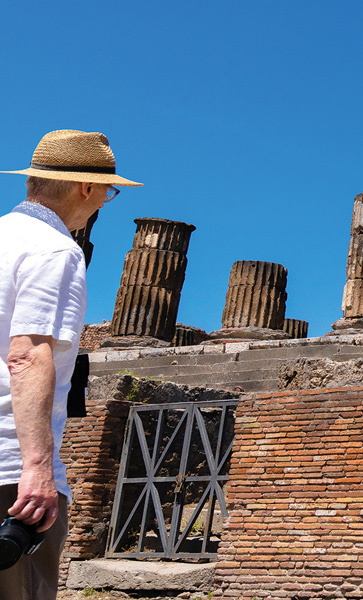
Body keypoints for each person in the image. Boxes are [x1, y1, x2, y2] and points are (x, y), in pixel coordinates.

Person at [1, 130, 138, 599]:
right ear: (86, 187)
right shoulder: (55, 250)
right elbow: (28, 353)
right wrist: (37, 467)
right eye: (108, 191)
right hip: (8, 472)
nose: (104, 201)